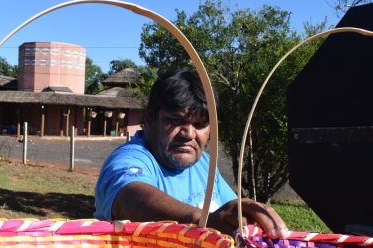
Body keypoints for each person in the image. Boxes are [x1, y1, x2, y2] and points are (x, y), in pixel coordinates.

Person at [94, 68, 288, 238]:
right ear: (151, 117)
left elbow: (229, 208)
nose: (189, 133)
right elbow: (129, 198)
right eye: (177, 121)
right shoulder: (130, 158)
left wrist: (247, 210)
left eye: (200, 124)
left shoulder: (203, 162)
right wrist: (202, 220)